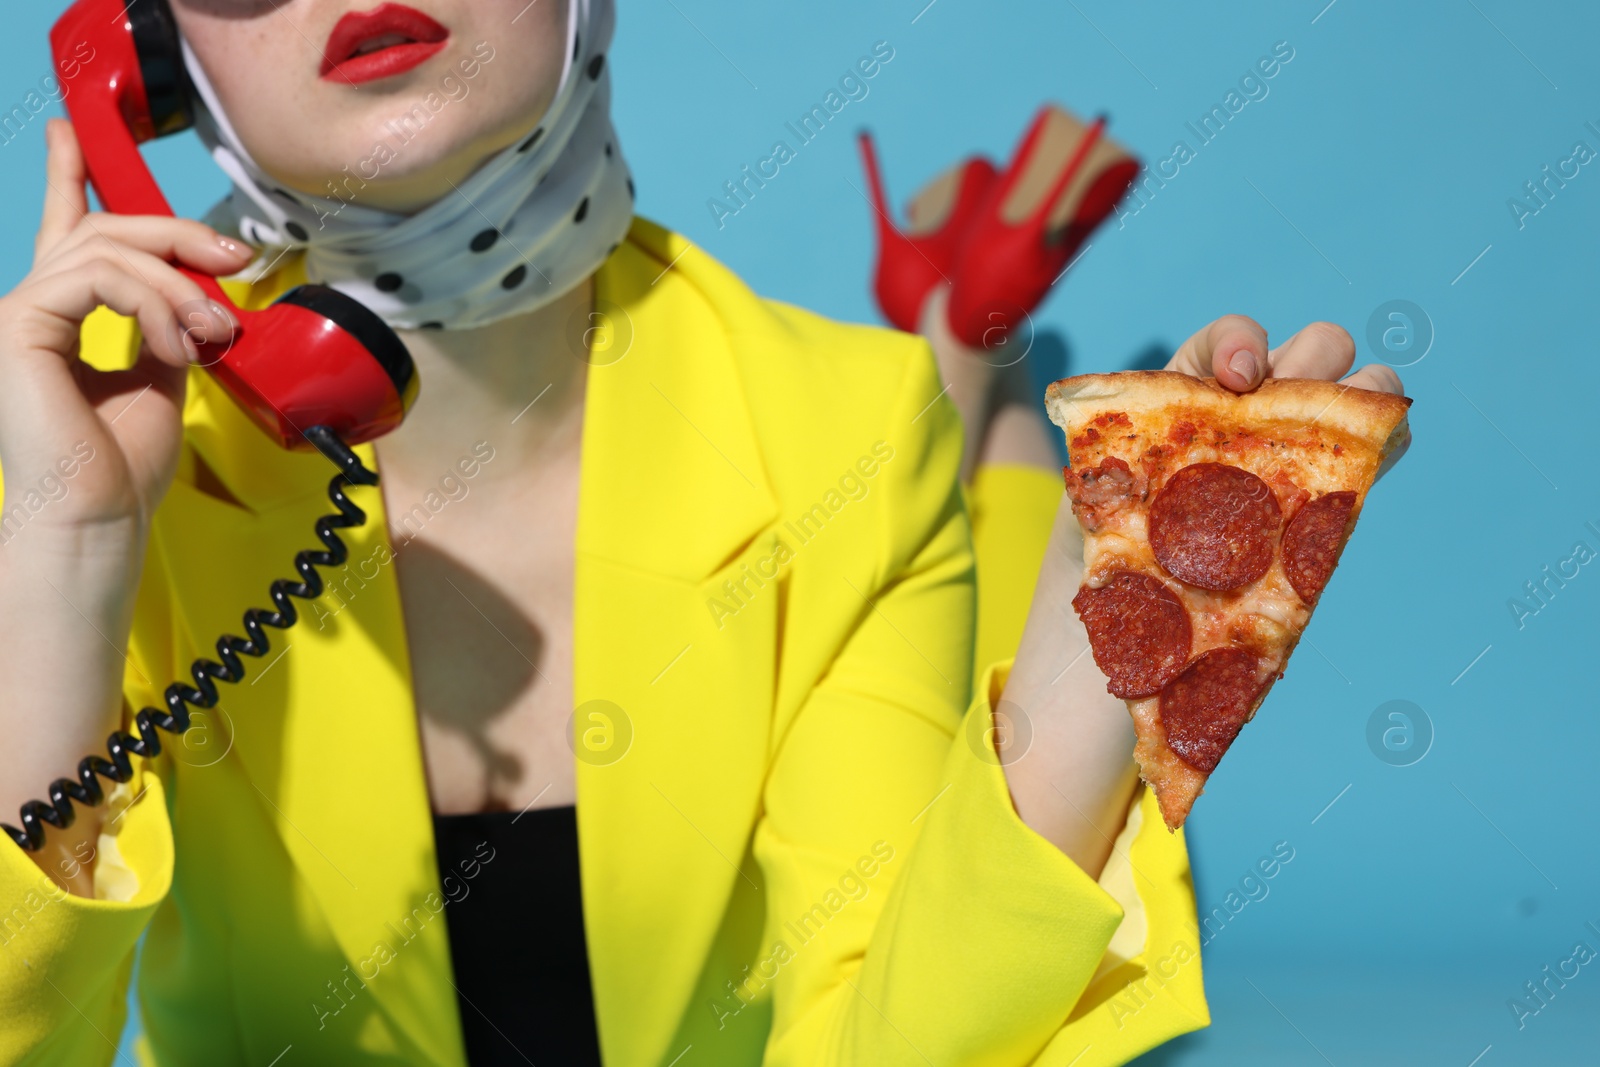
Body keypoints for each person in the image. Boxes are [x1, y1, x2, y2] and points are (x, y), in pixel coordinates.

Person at [0, 1, 1405, 1064]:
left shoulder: (847, 428)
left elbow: (882, 1037)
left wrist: (1108, 634)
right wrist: (66, 555)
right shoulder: (95, 442)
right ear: (153, 68)